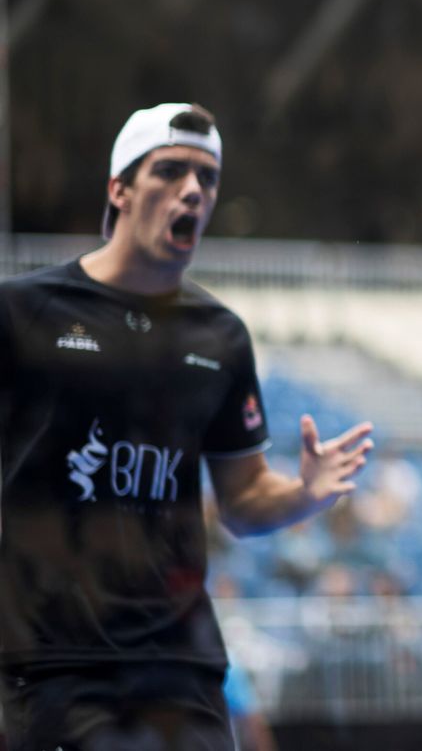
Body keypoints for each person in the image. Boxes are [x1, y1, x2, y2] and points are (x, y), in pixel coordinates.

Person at [0, 102, 374, 751]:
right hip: (52, 661)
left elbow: (243, 501)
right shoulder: (23, 313)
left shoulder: (220, 336)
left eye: (207, 178)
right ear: (119, 189)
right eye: (170, 171)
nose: (193, 190)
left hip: (182, 668)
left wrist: (305, 493)